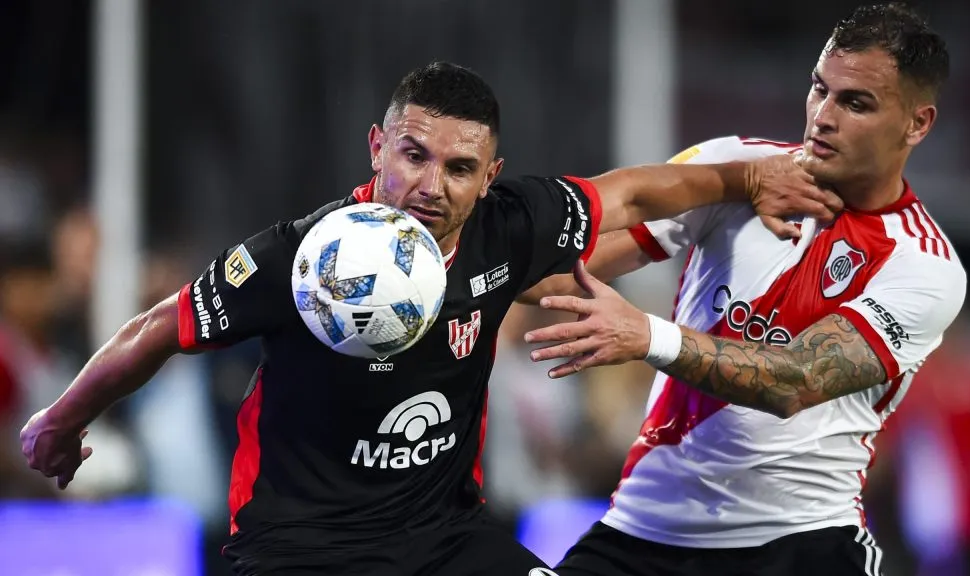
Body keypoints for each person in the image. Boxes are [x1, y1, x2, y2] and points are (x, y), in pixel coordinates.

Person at [19, 62, 839, 576]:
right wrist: (62, 420)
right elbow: (156, 328)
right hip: (298, 551)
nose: (430, 185)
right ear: (377, 147)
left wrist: (745, 180)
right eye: (413, 155)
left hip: (443, 540)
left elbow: (631, 192)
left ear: (490, 175)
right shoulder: (302, 259)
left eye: (458, 167)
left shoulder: (507, 226)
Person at [521, 4, 965, 575]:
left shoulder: (924, 265)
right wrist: (462, 256)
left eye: (855, 103)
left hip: (800, 545)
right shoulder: (734, 167)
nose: (823, 117)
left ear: (917, 124)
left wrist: (647, 335)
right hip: (643, 529)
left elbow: (794, 381)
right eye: (819, 89)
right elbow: (554, 276)